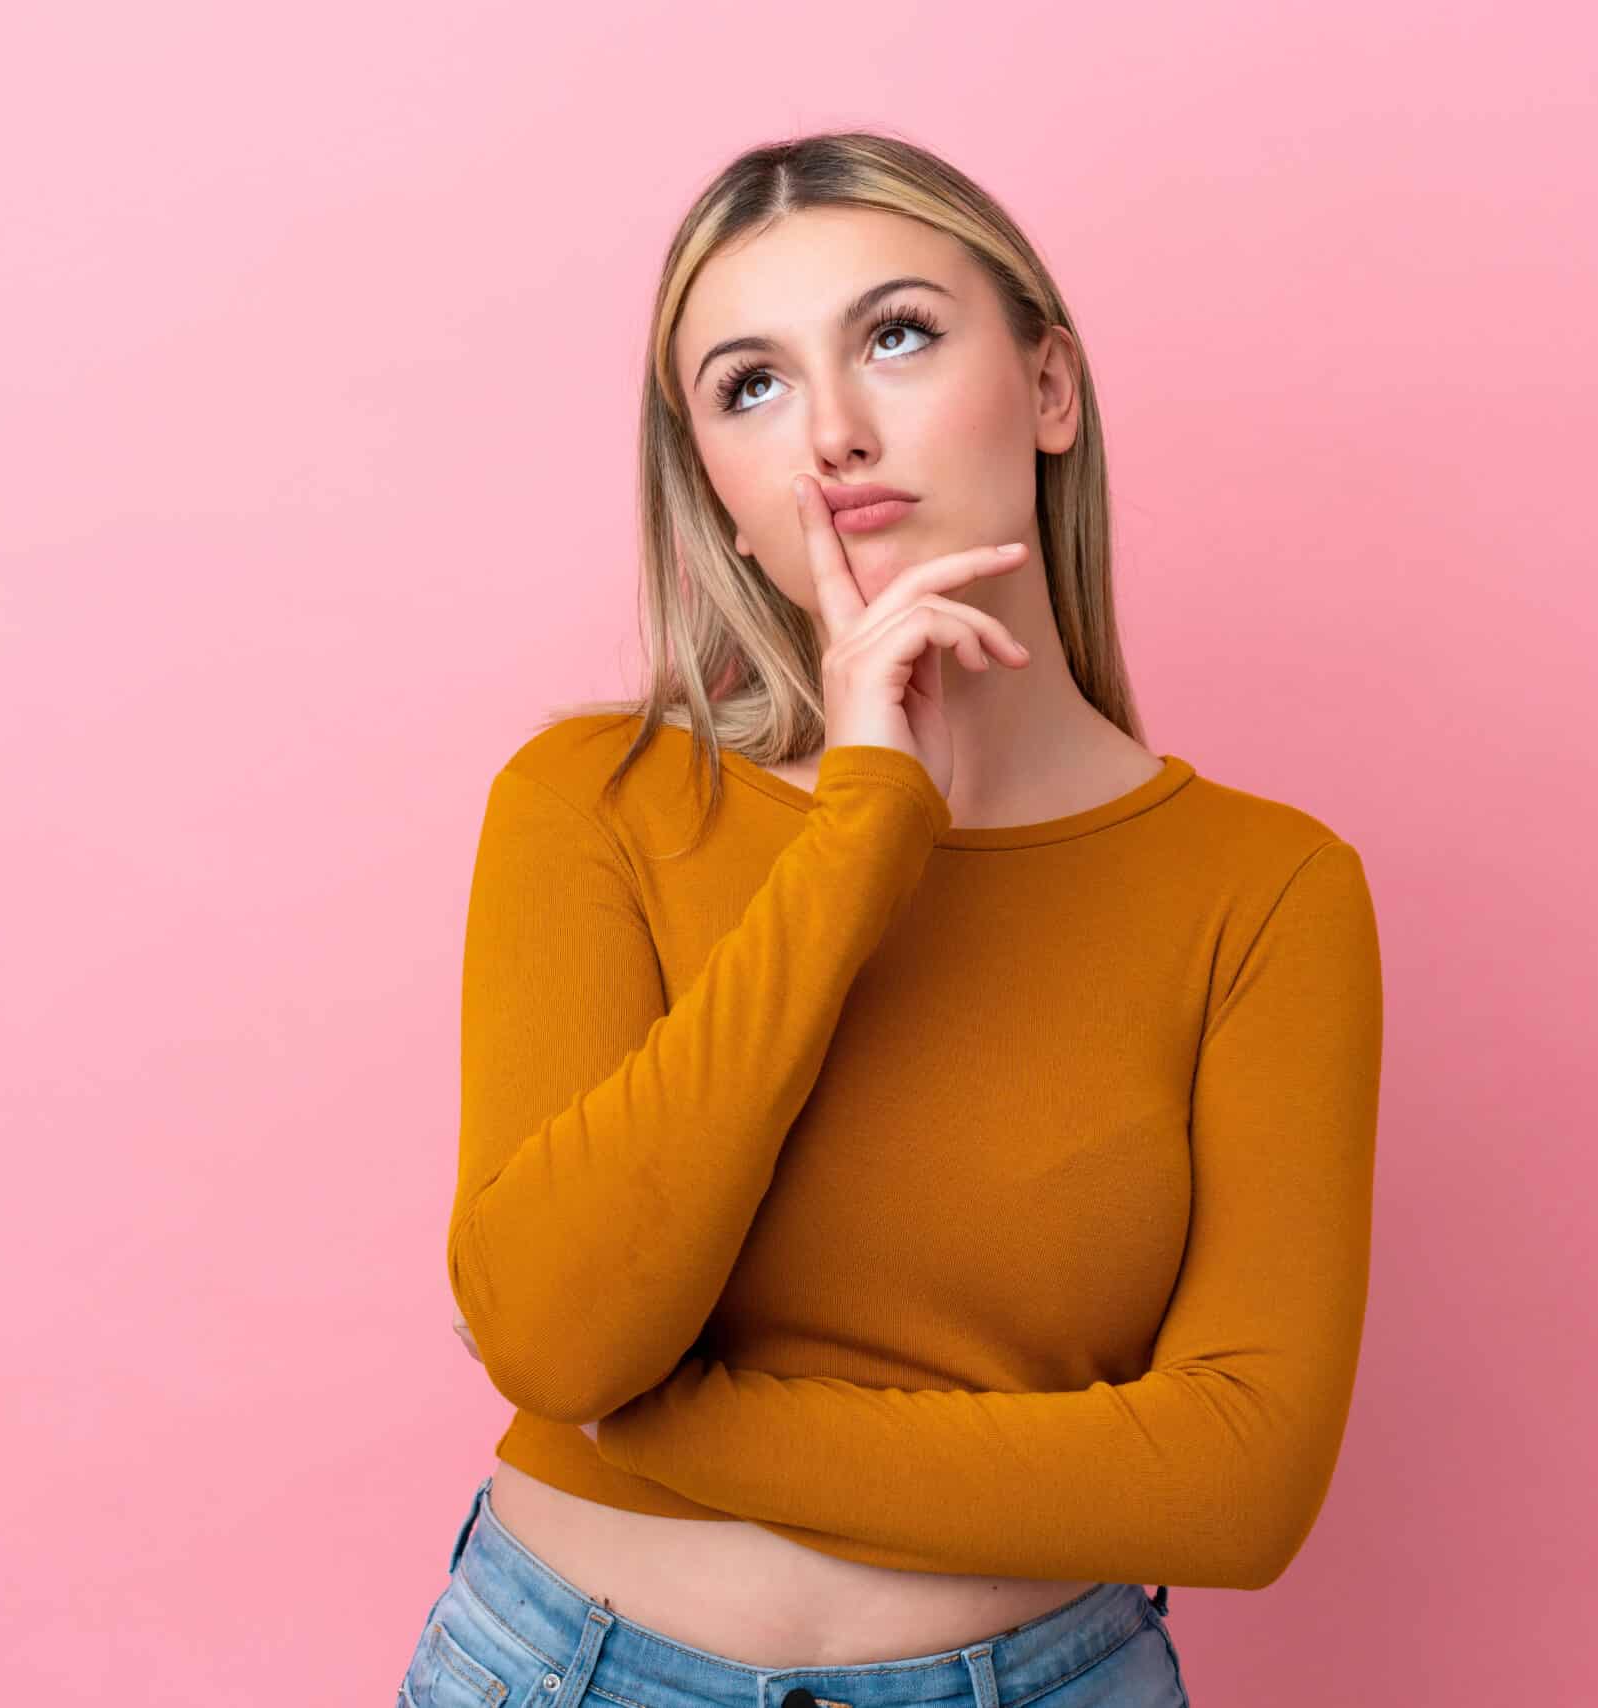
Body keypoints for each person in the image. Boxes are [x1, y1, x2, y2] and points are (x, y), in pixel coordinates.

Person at [399, 129, 1383, 1708]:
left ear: (1050, 389)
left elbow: (1236, 1486)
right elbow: (568, 1339)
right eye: (752, 386)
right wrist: (866, 819)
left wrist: (661, 1420)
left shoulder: (1266, 890)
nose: (834, 434)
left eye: (898, 336)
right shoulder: (597, 801)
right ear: (720, 500)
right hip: (569, 1669)